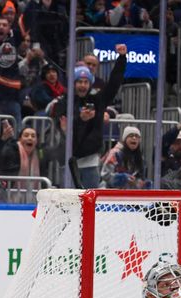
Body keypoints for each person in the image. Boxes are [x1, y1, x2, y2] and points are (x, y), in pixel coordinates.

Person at [50, 44, 127, 189]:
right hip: (68, 160)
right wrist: (80, 120)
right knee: (68, 203)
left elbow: (113, 84)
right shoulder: (64, 102)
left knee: (89, 201)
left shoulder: (97, 100)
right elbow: (61, 126)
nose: (83, 85)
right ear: (73, 83)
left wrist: (122, 59)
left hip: (90, 159)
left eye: (86, 82)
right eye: (79, 81)